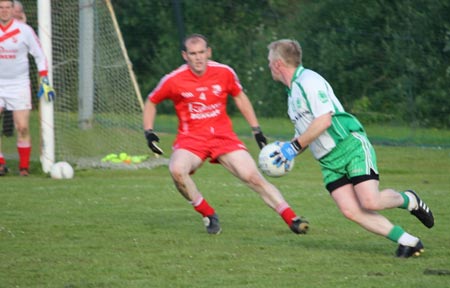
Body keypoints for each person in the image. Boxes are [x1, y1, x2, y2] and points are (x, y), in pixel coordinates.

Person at [266, 39, 434, 258]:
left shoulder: (309, 81)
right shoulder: (292, 95)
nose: (268, 66)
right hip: (328, 161)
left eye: (269, 62)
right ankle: (408, 242)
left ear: (278, 64)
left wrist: (294, 146)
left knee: (370, 201)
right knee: (350, 210)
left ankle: (409, 199)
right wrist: (287, 151)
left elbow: (324, 120)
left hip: (349, 145)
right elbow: (306, 133)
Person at [143, 33, 309, 235]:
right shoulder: (173, 79)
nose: (198, 58)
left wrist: (256, 129)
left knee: (253, 177)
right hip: (191, 139)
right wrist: (149, 132)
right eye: (193, 53)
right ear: (185, 55)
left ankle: (292, 218)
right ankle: (208, 213)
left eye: (202, 52)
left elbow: (239, 97)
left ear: (208, 52)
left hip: (223, 137)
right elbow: (152, 101)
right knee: (177, 171)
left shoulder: (224, 72)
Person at [0, 0, 55, 176]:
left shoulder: (24, 30)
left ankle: (24, 168)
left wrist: (44, 78)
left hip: (19, 84)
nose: (4, 11)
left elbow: (39, 55)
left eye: (8, 7)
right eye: (0, 8)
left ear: (12, 10)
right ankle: (0, 163)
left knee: (22, 127)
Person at [1, 0, 26, 138]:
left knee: (14, 109)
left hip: (16, 78)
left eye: (18, 12)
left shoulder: (23, 29)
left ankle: (8, 131)